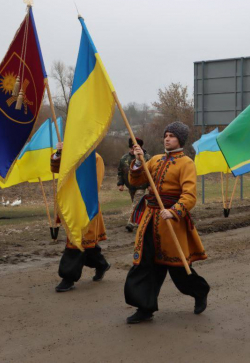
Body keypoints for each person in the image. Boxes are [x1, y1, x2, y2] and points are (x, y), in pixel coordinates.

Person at [124, 121, 210, 324]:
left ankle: (200, 291)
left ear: (180, 139)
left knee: (178, 268)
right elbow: (136, 181)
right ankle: (144, 308)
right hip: (149, 220)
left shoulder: (186, 163)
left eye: (172, 135)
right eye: (166, 135)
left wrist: (174, 211)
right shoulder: (154, 159)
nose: (167, 138)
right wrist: (137, 161)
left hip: (171, 222)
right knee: (144, 264)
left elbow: (189, 196)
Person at [56, 151, 111, 292]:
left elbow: (94, 185)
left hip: (86, 206)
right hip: (70, 204)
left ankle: (68, 278)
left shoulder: (96, 158)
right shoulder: (70, 155)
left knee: (77, 242)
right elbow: (55, 169)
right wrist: (59, 154)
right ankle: (101, 264)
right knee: (88, 245)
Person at [118, 138, 151, 232]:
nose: (133, 150)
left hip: (142, 185)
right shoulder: (124, 158)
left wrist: (149, 184)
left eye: (135, 148)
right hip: (130, 186)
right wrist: (120, 183)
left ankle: (131, 223)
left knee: (136, 204)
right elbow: (120, 171)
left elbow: (151, 172)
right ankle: (144, 220)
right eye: (131, 148)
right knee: (138, 204)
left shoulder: (147, 157)